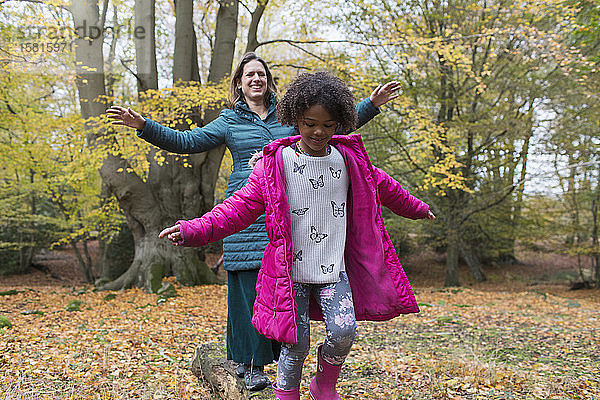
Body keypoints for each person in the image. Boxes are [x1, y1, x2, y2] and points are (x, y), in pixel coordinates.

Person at [106, 52, 402, 391]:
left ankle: (284, 360)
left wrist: (371, 103)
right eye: (249, 75)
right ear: (239, 83)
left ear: (269, 80)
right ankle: (248, 364)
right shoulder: (229, 121)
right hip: (244, 207)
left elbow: (328, 124)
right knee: (247, 286)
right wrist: (144, 127)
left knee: (284, 285)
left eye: (260, 74)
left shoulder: (289, 116)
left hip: (290, 210)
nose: (255, 79)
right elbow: (187, 142)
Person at [158, 70, 436, 400]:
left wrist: (418, 208)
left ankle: (324, 382)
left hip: (334, 269)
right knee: (295, 344)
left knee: (344, 331)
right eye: (309, 123)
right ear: (295, 119)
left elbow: (387, 188)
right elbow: (237, 209)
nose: (319, 131)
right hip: (291, 275)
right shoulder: (277, 164)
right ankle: (287, 394)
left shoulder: (349, 161)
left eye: (328, 125)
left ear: (339, 123)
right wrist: (193, 229)